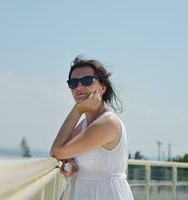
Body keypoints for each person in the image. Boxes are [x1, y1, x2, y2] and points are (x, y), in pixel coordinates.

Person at [50, 56, 134, 200]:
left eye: (87, 81)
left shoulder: (107, 123)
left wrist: (77, 110)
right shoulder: (84, 125)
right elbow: (61, 150)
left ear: (102, 87)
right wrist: (67, 160)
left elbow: (57, 151)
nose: (79, 87)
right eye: (73, 83)